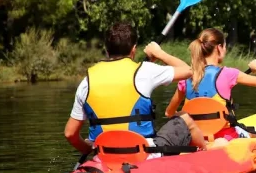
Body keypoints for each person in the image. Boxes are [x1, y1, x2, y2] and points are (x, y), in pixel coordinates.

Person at [64, 22, 207, 157]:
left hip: (104, 155)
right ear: (133, 49)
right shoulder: (145, 71)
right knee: (184, 117)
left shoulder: (87, 81)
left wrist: (88, 149)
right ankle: (206, 153)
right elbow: (190, 71)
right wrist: (159, 53)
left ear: (107, 51)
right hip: (143, 154)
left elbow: (70, 134)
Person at [164, 28, 256, 146]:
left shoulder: (185, 78)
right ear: (219, 48)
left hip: (197, 141)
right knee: (255, 133)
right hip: (227, 138)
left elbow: (169, 113)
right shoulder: (229, 74)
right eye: (225, 47)